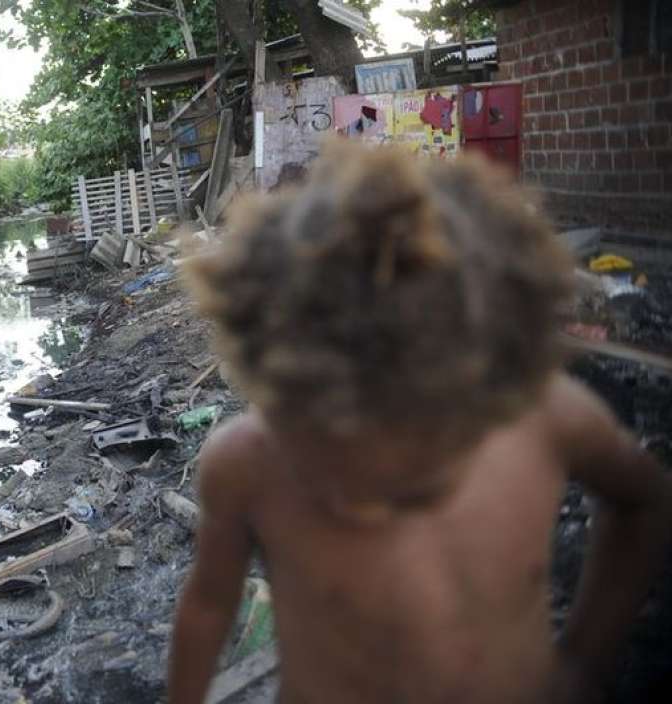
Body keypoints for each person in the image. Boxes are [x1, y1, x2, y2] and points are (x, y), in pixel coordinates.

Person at [169, 140, 672, 704]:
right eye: (342, 449)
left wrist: (585, 659)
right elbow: (209, 605)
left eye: (440, 443)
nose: (384, 495)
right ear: (282, 393)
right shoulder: (245, 463)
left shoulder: (545, 414)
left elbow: (643, 500)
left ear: (494, 377)